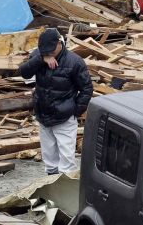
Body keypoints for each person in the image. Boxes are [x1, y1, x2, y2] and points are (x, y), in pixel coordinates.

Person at [19, 28, 93, 175]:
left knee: (66, 161)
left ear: (60, 43)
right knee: (49, 159)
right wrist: (41, 59)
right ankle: (51, 186)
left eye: (51, 50)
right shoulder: (39, 56)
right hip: (44, 116)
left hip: (64, 117)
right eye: (45, 51)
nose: (49, 53)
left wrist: (75, 110)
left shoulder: (74, 62)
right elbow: (24, 72)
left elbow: (87, 89)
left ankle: (65, 190)